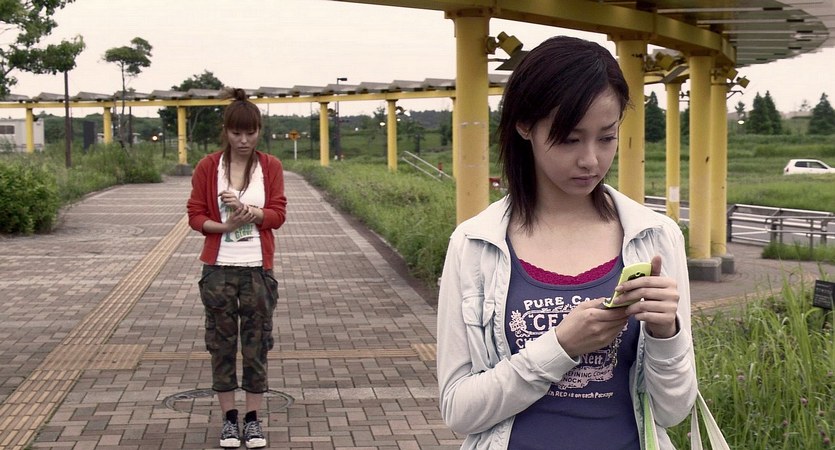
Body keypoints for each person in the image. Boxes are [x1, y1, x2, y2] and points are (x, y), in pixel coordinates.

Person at [436, 36, 697, 450]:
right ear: (525, 125)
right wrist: (560, 347)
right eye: (570, 139)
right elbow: (459, 410)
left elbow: (671, 412)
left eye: (606, 138)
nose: (590, 160)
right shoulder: (475, 245)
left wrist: (667, 333)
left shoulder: (655, 237)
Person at [187, 87, 287, 449]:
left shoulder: (270, 166)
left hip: (258, 269)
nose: (243, 140)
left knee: (257, 344)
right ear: (226, 132)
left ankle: (253, 419)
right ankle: (229, 419)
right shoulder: (208, 167)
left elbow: (278, 214)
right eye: (236, 133)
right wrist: (224, 226)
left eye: (250, 132)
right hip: (219, 269)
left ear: (259, 131)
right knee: (221, 343)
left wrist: (253, 213)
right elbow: (195, 215)